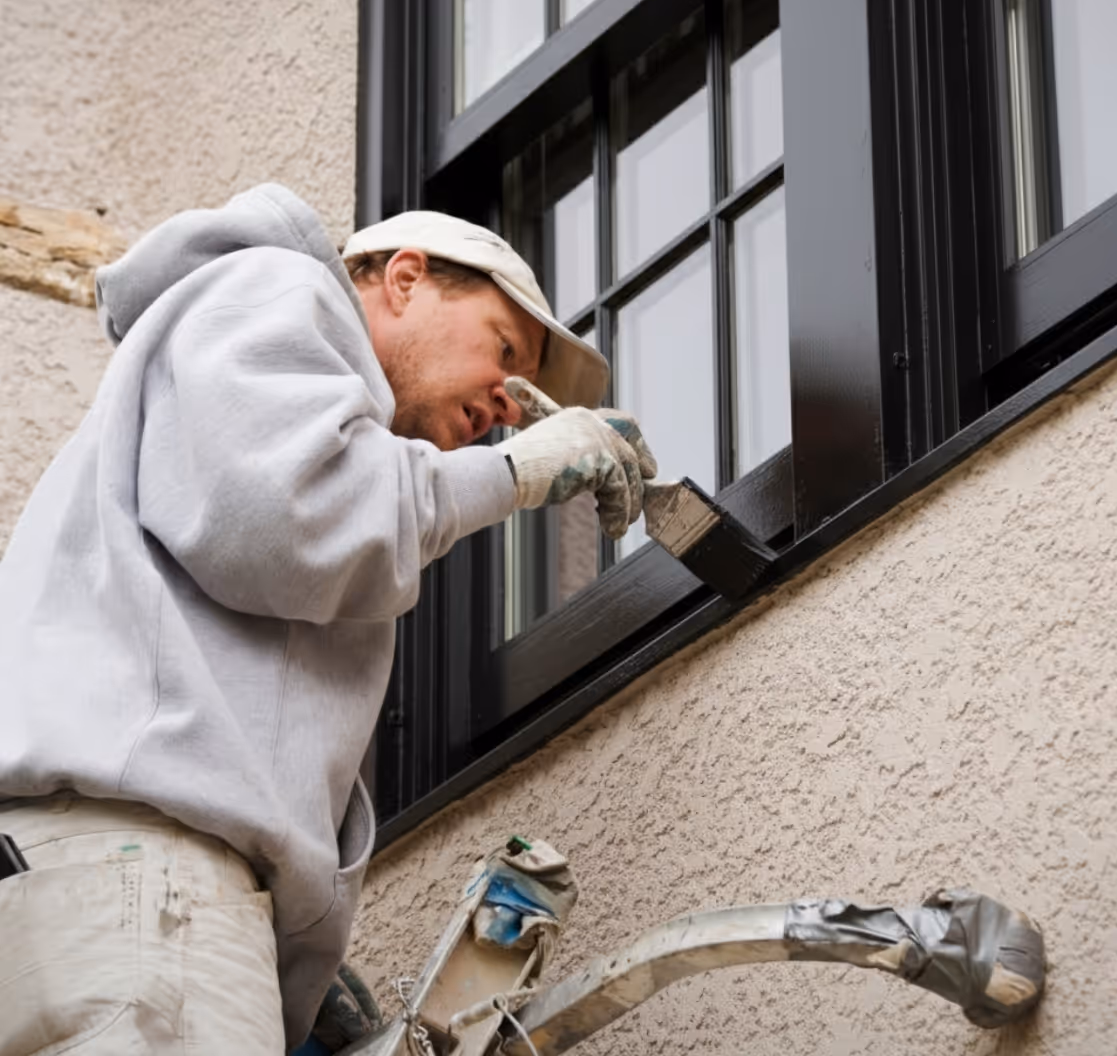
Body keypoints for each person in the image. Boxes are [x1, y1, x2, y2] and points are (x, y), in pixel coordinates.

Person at [0, 183, 656, 1054]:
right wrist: (519, 475)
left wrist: (291, 950)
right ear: (405, 279)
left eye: (523, 397)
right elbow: (288, 519)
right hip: (146, 895)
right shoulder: (281, 289)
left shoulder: (233, 381)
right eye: (503, 350)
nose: (508, 404)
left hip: (99, 903)